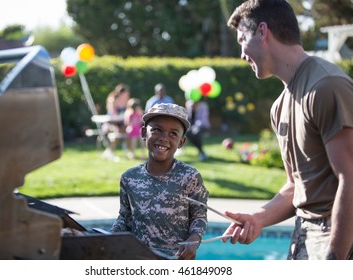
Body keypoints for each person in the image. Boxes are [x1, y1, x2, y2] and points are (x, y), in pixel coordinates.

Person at [221, 0, 353, 260]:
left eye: (241, 40)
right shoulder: (279, 107)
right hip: (303, 234)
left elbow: (350, 178)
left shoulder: (327, 86)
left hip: (338, 237)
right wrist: (258, 217)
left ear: (262, 31)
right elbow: (296, 186)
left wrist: (336, 256)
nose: (242, 54)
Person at [110, 103, 209, 259]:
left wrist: (194, 239)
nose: (164, 138)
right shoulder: (129, 178)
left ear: (181, 142)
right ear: (143, 133)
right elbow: (125, 218)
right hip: (138, 260)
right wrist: (110, 238)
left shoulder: (190, 177)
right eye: (157, 130)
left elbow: (199, 217)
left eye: (173, 134)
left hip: (176, 259)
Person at [102, 84, 130, 161]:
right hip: (111, 123)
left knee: (129, 130)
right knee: (118, 131)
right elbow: (112, 114)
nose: (127, 95)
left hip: (122, 123)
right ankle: (110, 150)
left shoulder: (127, 101)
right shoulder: (113, 99)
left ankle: (129, 152)